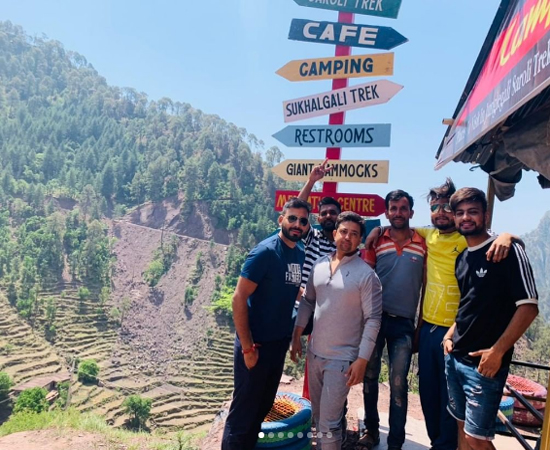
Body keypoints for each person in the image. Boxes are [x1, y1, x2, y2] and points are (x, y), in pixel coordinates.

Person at [363, 178, 522, 450]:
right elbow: (398, 227)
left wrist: (508, 236)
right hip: (428, 329)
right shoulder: (428, 236)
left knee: (451, 401)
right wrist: (376, 229)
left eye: (447, 207)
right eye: (435, 207)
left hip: (459, 332)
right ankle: (436, 443)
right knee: (429, 394)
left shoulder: (469, 237)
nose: (441, 213)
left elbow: (499, 239)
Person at [443, 187, 538, 450]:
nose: (466, 217)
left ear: (485, 215)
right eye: (460, 213)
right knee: (461, 427)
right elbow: (470, 304)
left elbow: (529, 307)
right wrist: (450, 334)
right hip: (455, 358)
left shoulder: (507, 251)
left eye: (472, 211)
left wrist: (497, 352)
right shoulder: (462, 258)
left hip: (485, 365)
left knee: (477, 439)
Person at [221, 198, 311, 450]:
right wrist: (248, 348)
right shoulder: (265, 252)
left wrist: (307, 296)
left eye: (303, 221)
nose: (297, 224)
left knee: (262, 407)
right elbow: (239, 298)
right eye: (292, 218)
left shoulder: (299, 252)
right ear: (281, 220)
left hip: (277, 343)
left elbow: (290, 286)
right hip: (256, 345)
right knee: (243, 415)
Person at [290, 212, 383, 450]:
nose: (347, 237)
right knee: (318, 417)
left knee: (330, 424)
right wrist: (297, 334)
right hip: (315, 354)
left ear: (360, 240)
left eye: (354, 234)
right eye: (343, 232)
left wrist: (362, 360)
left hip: (342, 360)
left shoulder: (366, 276)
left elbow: (373, 319)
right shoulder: (320, 265)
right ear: (334, 234)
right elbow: (308, 301)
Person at [359, 190, 426, 450]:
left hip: (404, 325)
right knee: (370, 377)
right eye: (393, 208)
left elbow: (427, 286)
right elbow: (365, 279)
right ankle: (371, 431)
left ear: (411, 212)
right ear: (387, 213)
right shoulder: (377, 241)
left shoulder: (423, 244)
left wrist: (420, 326)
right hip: (374, 320)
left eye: (403, 208)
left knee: (399, 384)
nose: (398, 213)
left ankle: (395, 442)